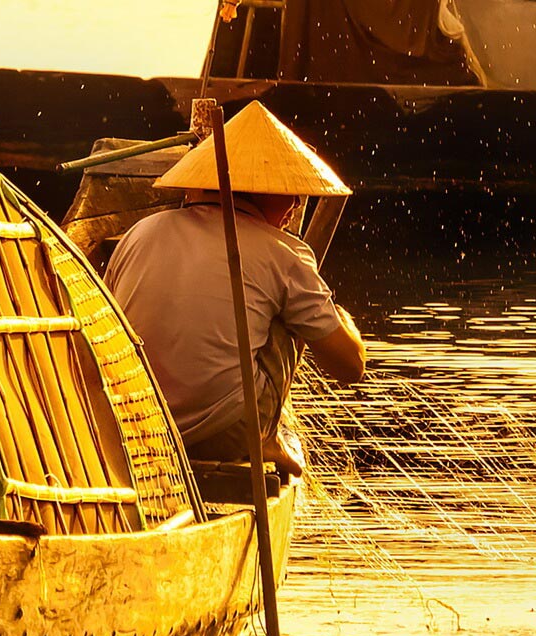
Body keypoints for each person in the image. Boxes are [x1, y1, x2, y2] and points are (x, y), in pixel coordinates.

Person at [104, 102, 367, 475]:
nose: (296, 204)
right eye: (288, 191)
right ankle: (264, 436)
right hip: (225, 434)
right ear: (260, 191)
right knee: (294, 317)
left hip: (135, 422)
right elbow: (350, 366)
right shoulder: (284, 254)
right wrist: (342, 319)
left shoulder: (141, 232)